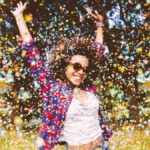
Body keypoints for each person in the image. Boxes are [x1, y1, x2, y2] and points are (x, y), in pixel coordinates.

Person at [11, 1, 113, 150]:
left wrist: (99, 26)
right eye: (76, 66)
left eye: (84, 69)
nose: (81, 72)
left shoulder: (88, 86)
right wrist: (19, 17)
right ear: (65, 66)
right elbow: (32, 52)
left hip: (100, 146)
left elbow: (97, 52)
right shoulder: (52, 87)